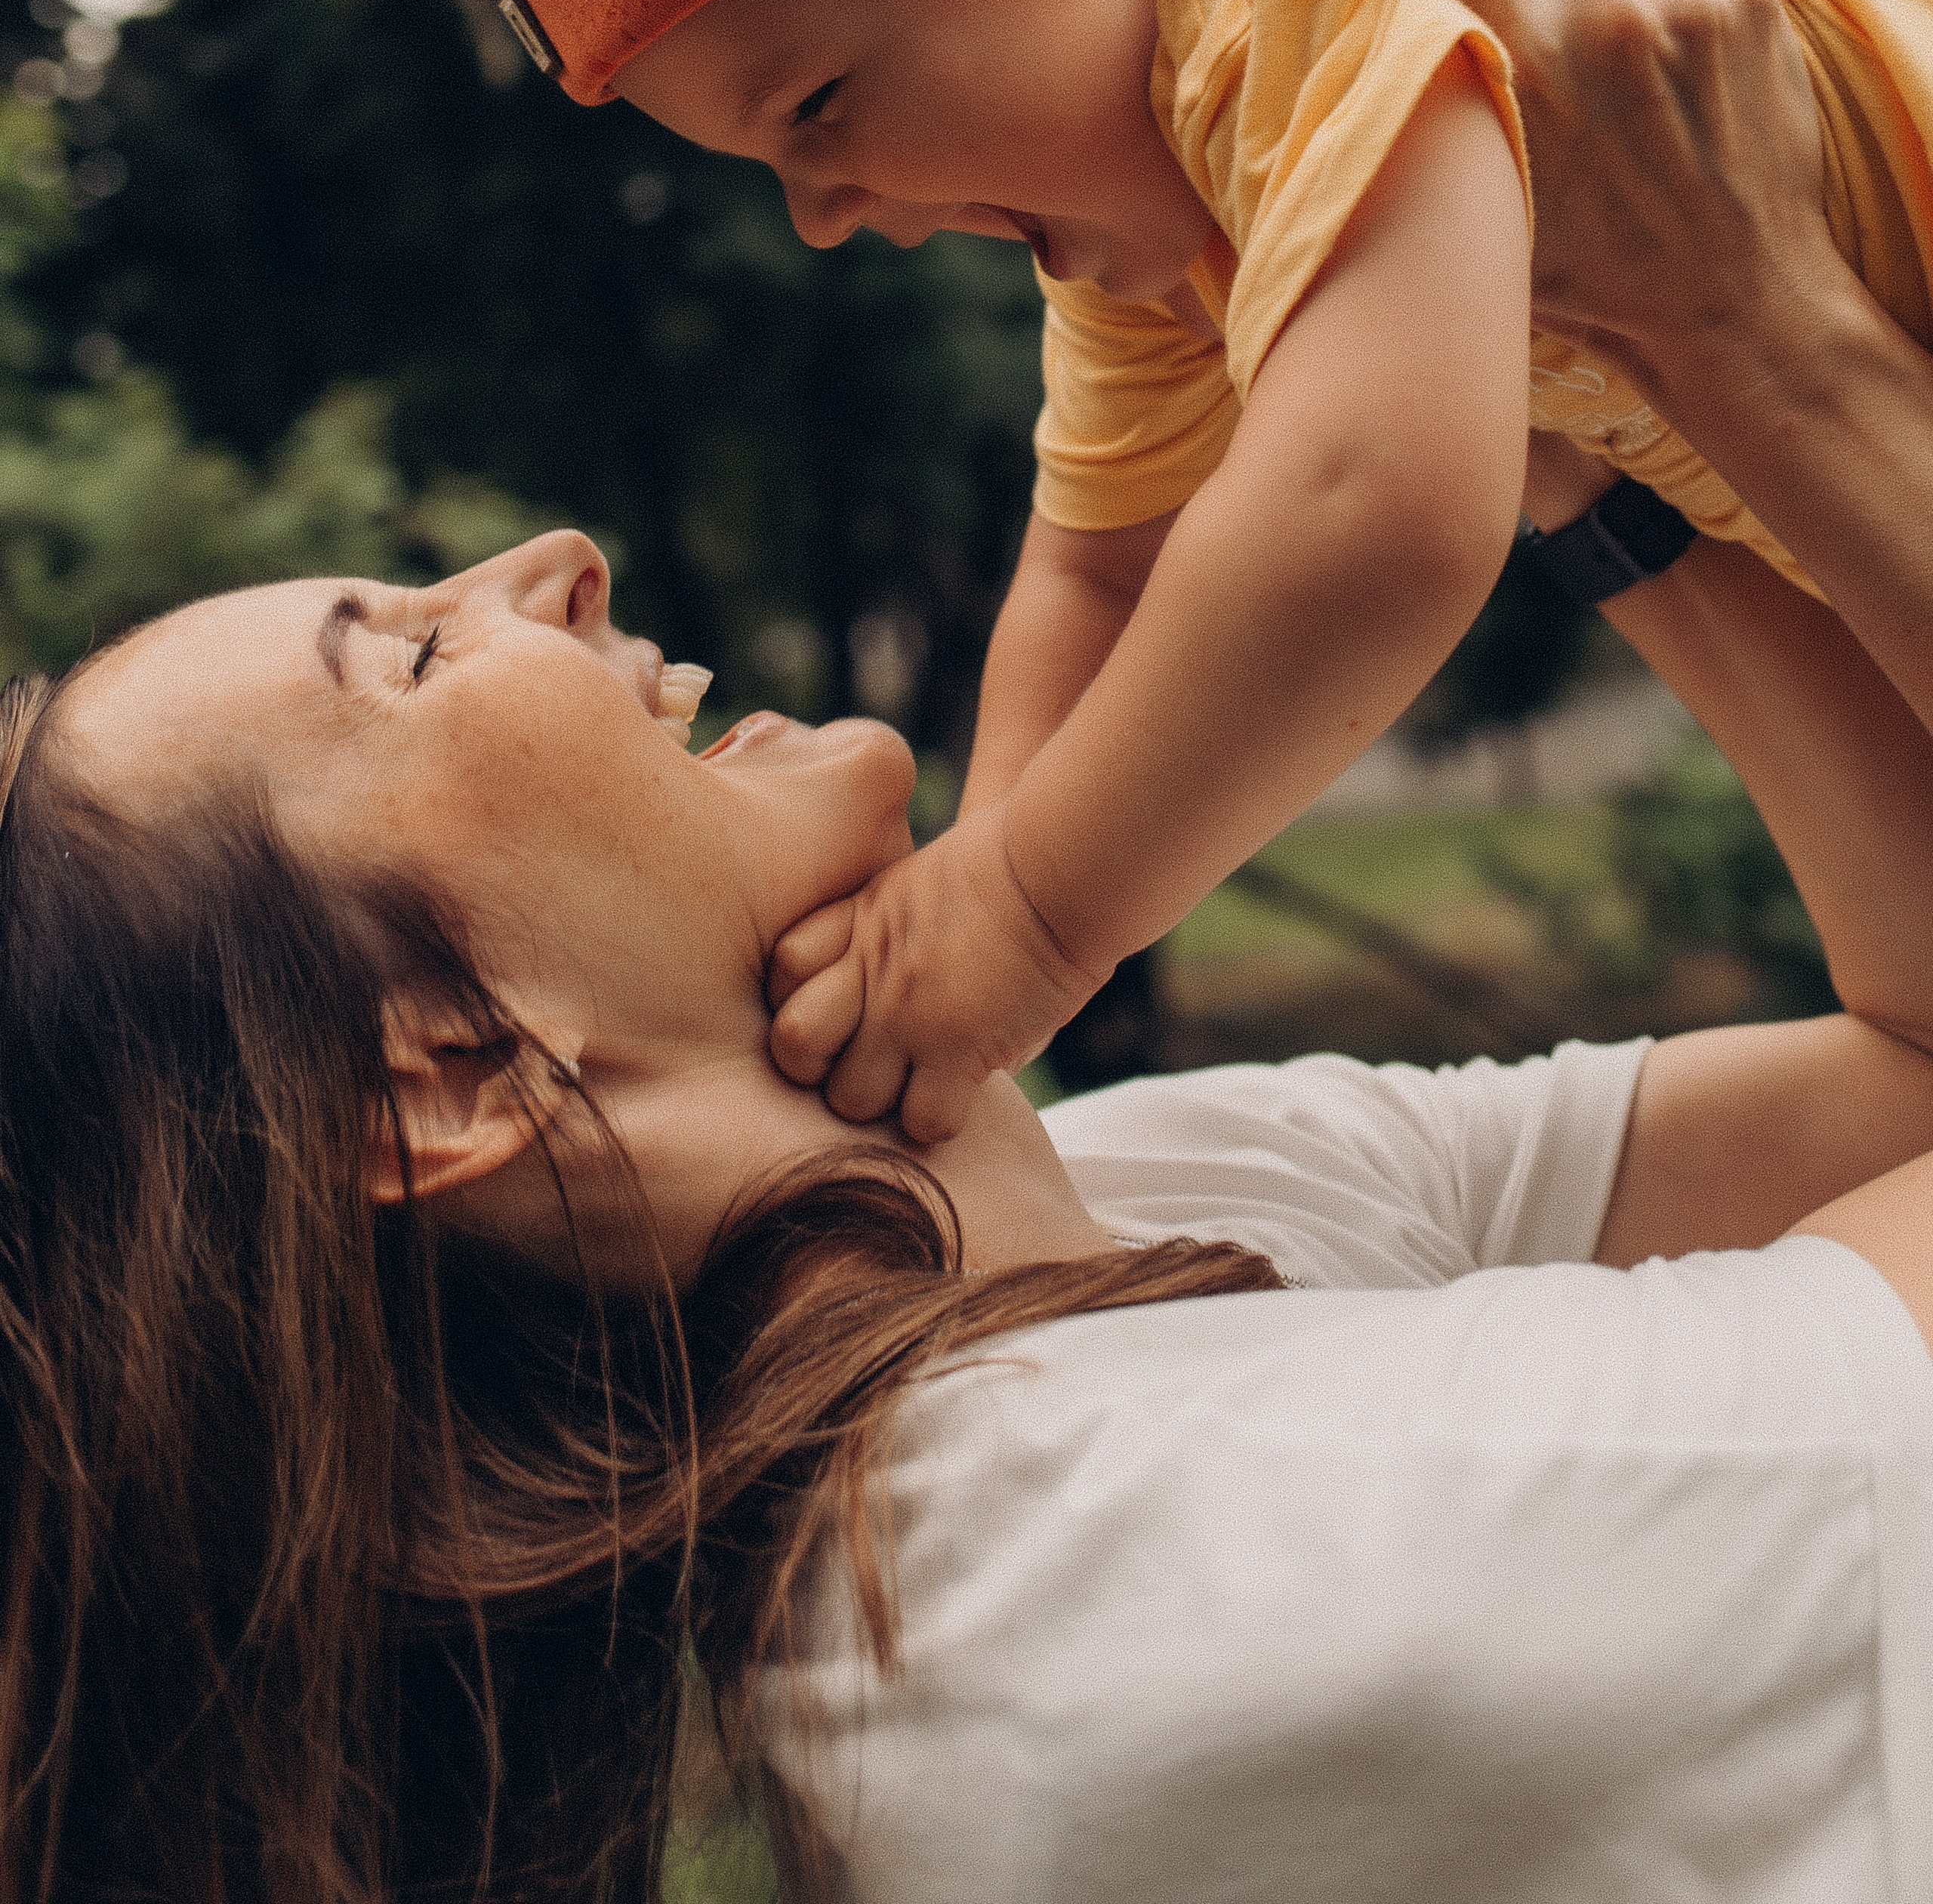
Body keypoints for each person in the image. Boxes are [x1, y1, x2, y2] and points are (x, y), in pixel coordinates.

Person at [8, 484, 1933, 1904]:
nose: (558, 558)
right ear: (449, 1064)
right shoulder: (1178, 1555)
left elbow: (1906, 1068)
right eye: (413, 658)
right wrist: (1779, 365)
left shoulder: (1104, 1202)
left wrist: (1608, 464)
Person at [490, 0, 1933, 1148]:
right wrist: (969, 881)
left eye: (817, 109)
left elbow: (1371, 503)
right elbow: (1098, 569)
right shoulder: (1169, 182)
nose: (817, 217)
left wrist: (1026, 921)